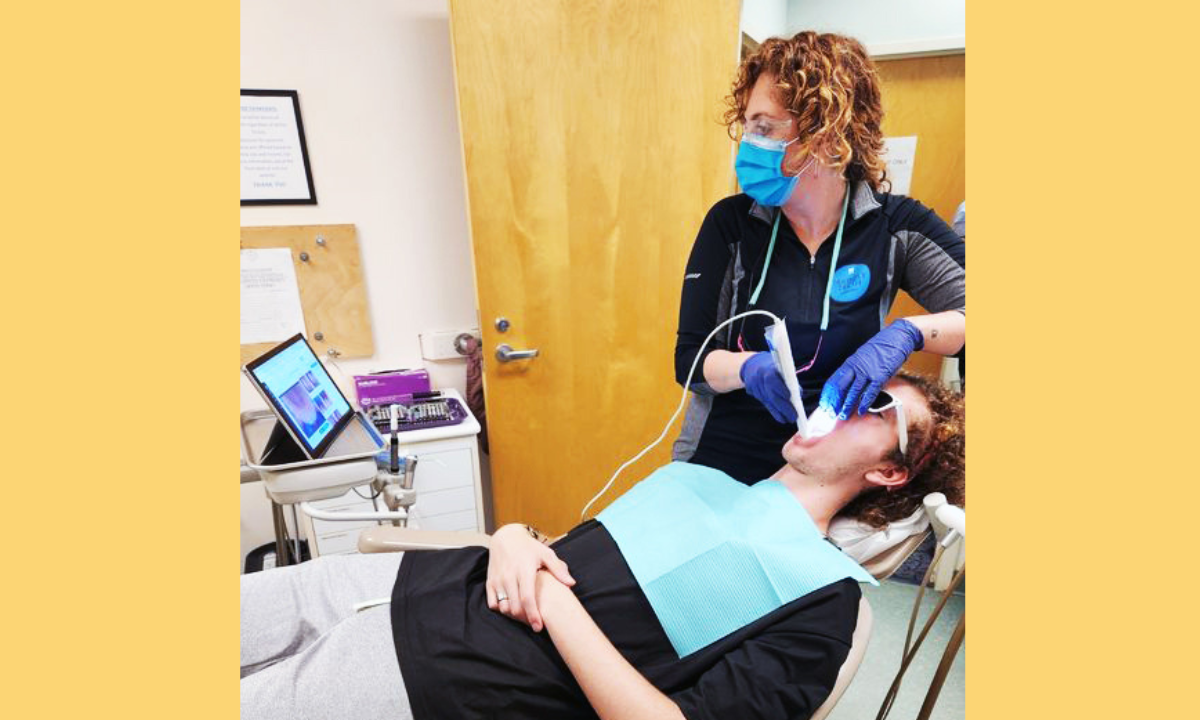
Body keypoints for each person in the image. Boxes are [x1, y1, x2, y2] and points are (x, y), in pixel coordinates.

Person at [241, 373, 965, 720]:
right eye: (850, 381)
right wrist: (513, 536)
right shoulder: (698, 481)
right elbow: (565, 558)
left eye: (874, 404)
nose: (842, 398)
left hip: (432, 678)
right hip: (400, 583)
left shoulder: (823, 606)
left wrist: (551, 599)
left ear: (890, 471)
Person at [673, 31, 966, 484]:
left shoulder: (895, 228)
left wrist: (908, 333)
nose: (749, 143)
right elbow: (690, 360)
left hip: (830, 469)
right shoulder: (731, 224)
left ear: (827, 134)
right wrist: (748, 369)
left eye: (766, 128)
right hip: (720, 461)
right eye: (749, 125)